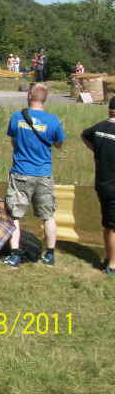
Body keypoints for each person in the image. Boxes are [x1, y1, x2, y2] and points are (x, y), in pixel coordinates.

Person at [2, 83, 65, 268]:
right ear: (45, 99)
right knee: (48, 215)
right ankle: (50, 254)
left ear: (29, 95)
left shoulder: (17, 117)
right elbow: (59, 144)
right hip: (43, 173)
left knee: (14, 215)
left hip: (21, 171)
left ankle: (14, 255)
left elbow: (13, 138)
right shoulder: (53, 120)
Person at [81, 97, 115, 275]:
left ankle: (109, 258)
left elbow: (84, 135)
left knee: (108, 224)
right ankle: (112, 265)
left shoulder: (99, 128)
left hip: (102, 184)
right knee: (112, 226)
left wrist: (96, 149)